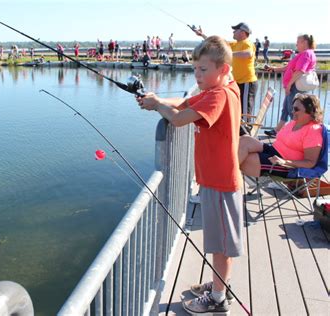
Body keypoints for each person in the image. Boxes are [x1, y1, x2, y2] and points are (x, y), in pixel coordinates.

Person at [136, 36, 243, 315]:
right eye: (195, 69)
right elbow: (184, 103)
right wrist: (157, 100)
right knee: (218, 242)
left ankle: (218, 298)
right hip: (214, 179)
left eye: (203, 70)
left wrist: (159, 108)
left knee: (220, 246)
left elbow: (180, 119)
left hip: (220, 181)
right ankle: (220, 284)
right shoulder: (219, 88)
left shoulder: (219, 95)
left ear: (222, 69)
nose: (197, 75)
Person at [239, 93, 323, 178]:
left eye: (296, 109)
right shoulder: (294, 122)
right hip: (273, 150)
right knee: (244, 140)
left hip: (285, 165)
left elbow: (310, 163)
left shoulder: (313, 131)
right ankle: (227, 181)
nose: (292, 111)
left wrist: (285, 162)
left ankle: (228, 183)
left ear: (310, 111)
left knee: (246, 159)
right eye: (292, 108)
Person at [194, 22, 258, 117]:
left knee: (245, 110)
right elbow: (217, 43)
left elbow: (248, 54)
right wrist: (202, 35)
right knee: (239, 108)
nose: (233, 32)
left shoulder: (247, 43)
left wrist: (230, 54)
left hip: (246, 82)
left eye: (236, 30)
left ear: (243, 32)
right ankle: (239, 129)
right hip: (238, 82)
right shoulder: (235, 44)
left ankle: (245, 130)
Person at [264, 34, 317, 137]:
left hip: (294, 87)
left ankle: (294, 134)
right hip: (293, 87)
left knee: (293, 111)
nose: (296, 44)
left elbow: (300, 71)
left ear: (304, 42)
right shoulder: (304, 54)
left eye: (298, 41)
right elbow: (288, 68)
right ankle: (277, 130)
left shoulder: (306, 54)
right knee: (286, 109)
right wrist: (273, 68)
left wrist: (289, 85)